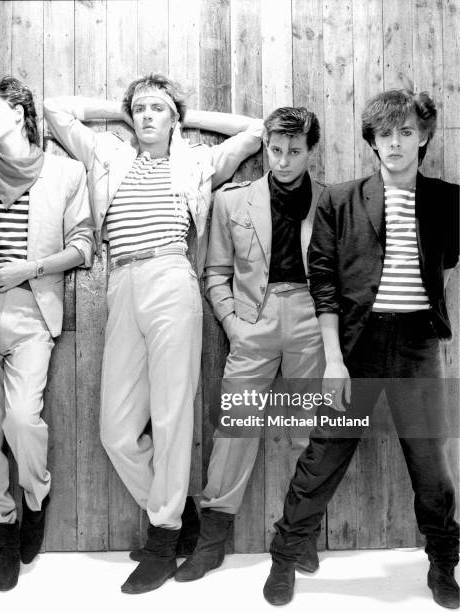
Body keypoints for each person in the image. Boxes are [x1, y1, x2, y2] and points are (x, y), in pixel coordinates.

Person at [44, 73, 263, 594]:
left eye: (156, 109)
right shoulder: (109, 155)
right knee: (116, 431)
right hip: (121, 281)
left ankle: (163, 538)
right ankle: (176, 513)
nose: (145, 116)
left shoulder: (194, 162)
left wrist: (185, 114)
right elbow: (55, 108)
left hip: (171, 276)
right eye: (138, 109)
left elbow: (255, 129)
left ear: (172, 119)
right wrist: (118, 110)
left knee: (170, 414)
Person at [263, 88, 459, 609]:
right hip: (356, 345)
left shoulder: (447, 200)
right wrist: (333, 360)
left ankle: (443, 565)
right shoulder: (340, 199)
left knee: (431, 462)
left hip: (417, 343)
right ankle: (285, 556)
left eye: (406, 132)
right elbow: (322, 280)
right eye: (385, 133)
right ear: (372, 141)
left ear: (422, 138)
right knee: (325, 453)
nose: (395, 143)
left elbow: (447, 262)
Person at [0, 77, 93, 592]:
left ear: (20, 111)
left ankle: (36, 497)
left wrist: (27, 269)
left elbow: (83, 244)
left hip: (33, 313)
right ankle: (2, 533)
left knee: (20, 420)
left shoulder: (67, 172)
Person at [175, 107, 326, 582]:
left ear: (310, 151)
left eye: (294, 152)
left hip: (311, 320)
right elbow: (214, 272)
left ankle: (300, 539)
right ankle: (212, 542)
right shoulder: (232, 201)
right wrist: (233, 323)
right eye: (275, 150)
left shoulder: (332, 202)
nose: (283, 161)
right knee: (236, 429)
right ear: (265, 147)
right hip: (251, 322)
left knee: (309, 432)